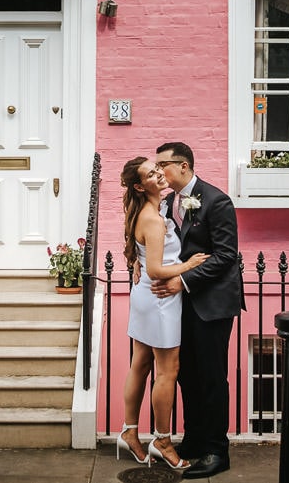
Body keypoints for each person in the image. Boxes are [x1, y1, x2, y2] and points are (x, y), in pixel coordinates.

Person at [151, 141, 244, 479]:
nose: (159, 171)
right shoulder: (169, 201)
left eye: (164, 165)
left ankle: (217, 451)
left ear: (185, 166)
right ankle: (193, 442)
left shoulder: (216, 201)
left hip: (212, 305)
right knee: (187, 375)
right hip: (182, 306)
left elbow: (225, 256)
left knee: (211, 379)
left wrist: (183, 281)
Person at [118, 156, 209, 470]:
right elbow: (157, 269)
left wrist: (136, 261)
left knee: (140, 364)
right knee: (167, 371)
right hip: (159, 298)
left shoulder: (150, 210)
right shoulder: (153, 218)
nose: (159, 174)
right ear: (140, 186)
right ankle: (163, 440)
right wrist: (190, 265)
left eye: (158, 169)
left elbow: (144, 257)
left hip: (145, 295)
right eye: (151, 174)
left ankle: (130, 432)